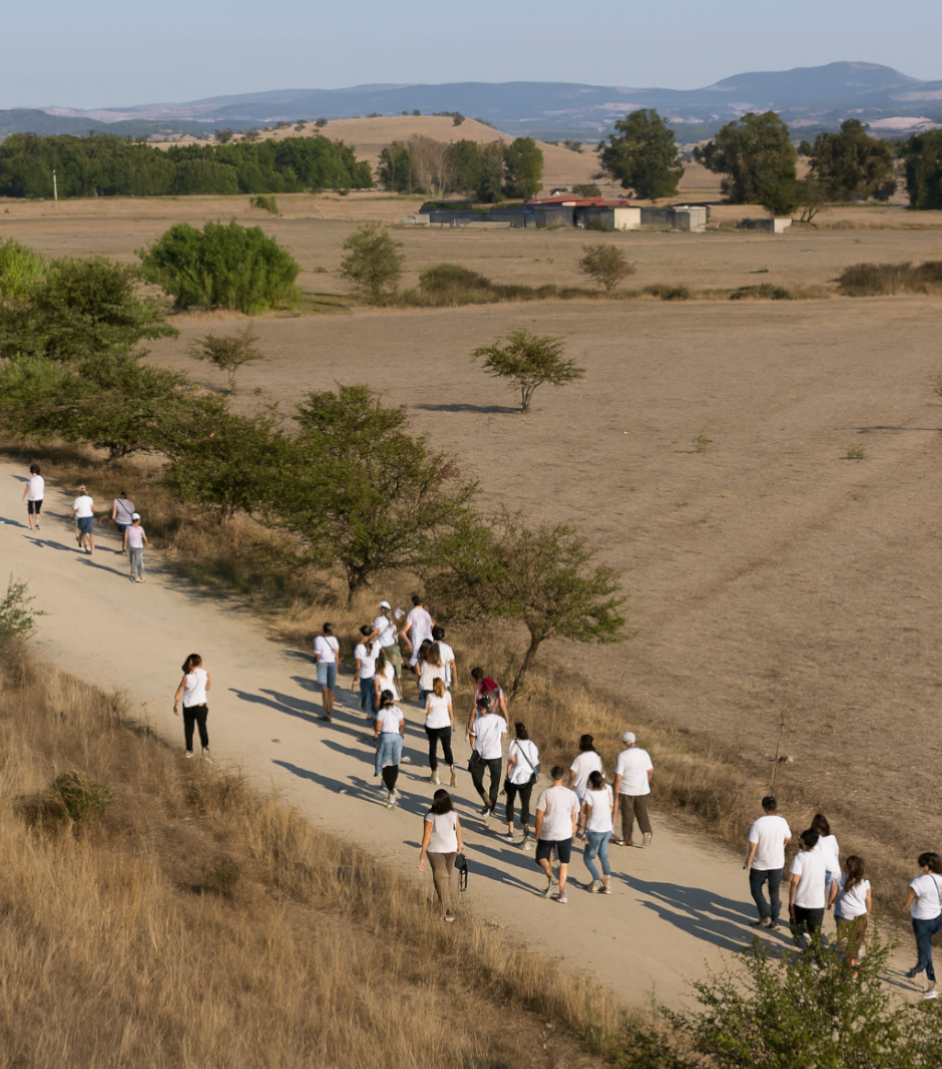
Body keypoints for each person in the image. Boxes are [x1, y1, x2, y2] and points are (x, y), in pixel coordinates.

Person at [744, 796, 792, 929]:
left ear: (764, 807)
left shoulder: (758, 823)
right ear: (776, 807)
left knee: (756, 889)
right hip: (777, 862)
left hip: (760, 863)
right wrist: (783, 845)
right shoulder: (782, 822)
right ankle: (775, 920)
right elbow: (789, 837)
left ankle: (765, 914)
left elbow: (753, 845)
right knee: (774, 891)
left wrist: (748, 861)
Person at [534, 766, 580, 903]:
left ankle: (550, 877)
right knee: (563, 863)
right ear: (564, 776)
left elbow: (538, 816)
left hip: (548, 832)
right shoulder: (571, 794)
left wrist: (537, 833)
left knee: (541, 857)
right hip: (565, 832)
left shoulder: (545, 794)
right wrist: (574, 831)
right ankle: (562, 893)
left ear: (551, 775)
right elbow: (574, 814)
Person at [419, 789, 463, 923]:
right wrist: (460, 844)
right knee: (444, 878)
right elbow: (459, 829)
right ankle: (446, 908)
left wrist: (421, 855)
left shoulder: (430, 815)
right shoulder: (452, 814)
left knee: (442, 878)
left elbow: (427, 836)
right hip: (447, 849)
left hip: (438, 850)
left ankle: (445, 908)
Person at [902, 851, 942, 1000]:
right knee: (924, 947)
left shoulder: (920, 881)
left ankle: (932, 984)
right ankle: (919, 968)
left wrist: (905, 905)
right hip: (937, 918)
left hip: (922, 920)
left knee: (925, 951)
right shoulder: (940, 880)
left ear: (926, 867)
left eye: (921, 865)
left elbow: (911, 896)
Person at [828, 855, 871, 974]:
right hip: (859, 915)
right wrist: (868, 913)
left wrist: (830, 901)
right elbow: (868, 899)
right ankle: (854, 967)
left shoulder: (841, 879)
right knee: (856, 943)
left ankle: (843, 964)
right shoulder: (864, 883)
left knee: (843, 941)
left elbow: (834, 889)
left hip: (842, 915)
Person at [788, 828, 828, 953]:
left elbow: (794, 881)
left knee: (796, 926)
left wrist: (791, 902)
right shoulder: (822, 857)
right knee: (815, 933)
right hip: (817, 902)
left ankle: (802, 946)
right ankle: (816, 956)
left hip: (801, 901)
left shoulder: (800, 857)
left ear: (803, 841)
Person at [468, 693, 507, 819]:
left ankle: (485, 797)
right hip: (496, 755)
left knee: (476, 778)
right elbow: (503, 736)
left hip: (481, 754)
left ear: (484, 709)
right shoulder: (500, 720)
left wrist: (474, 747)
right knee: (495, 783)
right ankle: (490, 808)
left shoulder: (478, 722)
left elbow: (472, 738)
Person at [612, 732, 653, 847]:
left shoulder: (623, 756)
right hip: (642, 789)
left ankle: (627, 838)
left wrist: (616, 792)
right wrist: (644, 782)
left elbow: (618, 777)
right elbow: (650, 771)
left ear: (624, 742)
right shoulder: (644, 753)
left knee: (627, 814)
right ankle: (647, 833)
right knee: (642, 813)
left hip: (626, 789)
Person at [503, 722, 539, 847]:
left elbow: (510, 760)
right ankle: (526, 827)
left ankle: (510, 831)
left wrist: (507, 778)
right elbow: (535, 762)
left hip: (514, 778)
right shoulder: (531, 745)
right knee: (525, 804)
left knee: (510, 803)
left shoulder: (514, 744)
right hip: (527, 778)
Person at [579, 770, 614, 894]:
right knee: (603, 857)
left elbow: (588, 811)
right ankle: (607, 883)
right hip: (607, 829)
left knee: (587, 858)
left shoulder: (589, 793)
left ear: (591, 782)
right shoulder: (607, 790)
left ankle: (596, 881)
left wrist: (585, 828)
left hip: (595, 830)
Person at [173, 653, 213, 761]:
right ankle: (205, 748)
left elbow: (180, 690)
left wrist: (175, 704)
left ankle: (189, 750)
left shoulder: (186, 676)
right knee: (202, 728)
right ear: (200, 662)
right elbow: (207, 688)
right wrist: (209, 680)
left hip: (188, 706)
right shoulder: (205, 673)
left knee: (189, 729)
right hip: (201, 705)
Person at [374, 690, 405, 808]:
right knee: (394, 763)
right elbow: (402, 724)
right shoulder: (398, 710)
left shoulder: (382, 712)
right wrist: (400, 735)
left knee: (384, 763)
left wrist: (376, 735)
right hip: (397, 738)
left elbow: (378, 727)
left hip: (386, 737)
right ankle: (392, 785)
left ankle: (390, 787)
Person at [424, 678, 455, 786]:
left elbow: (428, 711)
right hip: (445, 725)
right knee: (447, 747)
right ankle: (452, 769)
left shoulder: (430, 696)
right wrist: (451, 722)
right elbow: (450, 710)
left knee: (433, 748)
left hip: (432, 725)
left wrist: (427, 713)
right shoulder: (447, 695)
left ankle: (434, 773)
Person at [370, 600, 403, 685]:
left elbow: (375, 632)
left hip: (382, 648)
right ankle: (398, 689)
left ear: (382, 610)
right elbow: (395, 637)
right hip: (392, 647)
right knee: (396, 670)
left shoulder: (378, 620)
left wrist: (367, 638)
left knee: (380, 668)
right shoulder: (392, 622)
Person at [312, 623, 340, 721]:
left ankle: (325, 712)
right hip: (332, 663)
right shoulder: (334, 639)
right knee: (331, 690)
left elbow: (317, 655)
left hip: (323, 663)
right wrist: (337, 665)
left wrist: (316, 661)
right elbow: (337, 654)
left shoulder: (317, 639)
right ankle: (330, 712)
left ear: (323, 630)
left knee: (324, 689)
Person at [352, 625, 379, 721]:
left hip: (364, 674)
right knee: (373, 694)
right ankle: (375, 713)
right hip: (373, 674)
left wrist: (356, 675)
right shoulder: (376, 644)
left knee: (365, 695)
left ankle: (370, 713)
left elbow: (358, 664)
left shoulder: (359, 647)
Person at [401, 593, 434, 669]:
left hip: (417, 641)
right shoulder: (426, 613)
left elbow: (403, 632)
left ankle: (420, 678)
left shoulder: (411, 614)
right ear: (421, 603)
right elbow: (432, 627)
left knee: (416, 660)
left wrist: (409, 642)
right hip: (429, 640)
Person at [568, 735, 603, 802]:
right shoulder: (597, 757)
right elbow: (600, 772)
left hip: (579, 791)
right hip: (592, 792)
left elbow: (572, 773)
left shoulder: (579, 758)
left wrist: (570, 785)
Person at [811, 813, 841, 889]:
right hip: (834, 872)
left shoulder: (815, 840)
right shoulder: (832, 838)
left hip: (822, 870)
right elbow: (836, 854)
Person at [416, 641, 446, 706]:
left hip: (426, 683)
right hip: (437, 683)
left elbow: (418, 673)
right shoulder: (440, 663)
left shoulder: (421, 662)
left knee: (426, 701)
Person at [70, 485, 95, 555]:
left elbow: (73, 509)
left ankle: (86, 546)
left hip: (81, 517)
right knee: (88, 532)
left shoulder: (77, 500)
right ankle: (91, 547)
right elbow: (93, 509)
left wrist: (72, 516)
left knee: (84, 532)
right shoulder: (89, 499)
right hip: (87, 517)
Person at [373, 647, 400, 711]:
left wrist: (377, 702)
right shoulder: (389, 665)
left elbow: (377, 691)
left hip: (384, 697)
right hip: (394, 694)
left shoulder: (377, 675)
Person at [123, 513, 148, 583]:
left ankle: (132, 572)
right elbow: (144, 537)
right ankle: (139, 576)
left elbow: (125, 537)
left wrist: (124, 546)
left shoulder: (128, 528)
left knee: (132, 559)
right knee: (139, 561)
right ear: (137, 521)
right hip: (139, 547)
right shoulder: (140, 528)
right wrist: (146, 543)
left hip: (131, 547)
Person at [431, 625, 456, 689]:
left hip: (432, 679)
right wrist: (455, 681)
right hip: (446, 679)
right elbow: (452, 665)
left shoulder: (429, 648)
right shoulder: (448, 648)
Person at [22, 463, 44, 531]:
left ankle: (31, 526)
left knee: (30, 512)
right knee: (37, 511)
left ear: (31, 471)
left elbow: (28, 488)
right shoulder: (41, 479)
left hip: (31, 497)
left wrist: (24, 496)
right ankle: (36, 523)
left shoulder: (30, 480)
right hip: (39, 497)